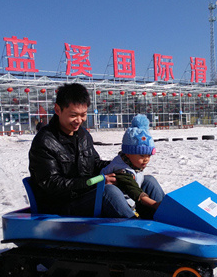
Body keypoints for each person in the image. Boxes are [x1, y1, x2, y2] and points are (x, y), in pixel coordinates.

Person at [29, 83, 160, 218]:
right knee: (107, 191)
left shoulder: (82, 135)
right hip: (62, 204)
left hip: (85, 193)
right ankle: (137, 229)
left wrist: (123, 167)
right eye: (73, 115)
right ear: (57, 110)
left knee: (148, 181)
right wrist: (95, 183)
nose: (79, 120)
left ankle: (166, 219)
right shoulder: (44, 142)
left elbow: (95, 164)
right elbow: (52, 184)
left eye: (83, 115)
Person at [100, 114, 165, 219]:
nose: (146, 159)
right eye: (142, 155)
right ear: (128, 154)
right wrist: (155, 204)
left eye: (149, 155)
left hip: (131, 201)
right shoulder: (121, 170)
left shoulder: (132, 164)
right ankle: (136, 222)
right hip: (118, 206)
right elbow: (134, 191)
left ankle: (165, 213)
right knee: (114, 191)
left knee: (150, 180)